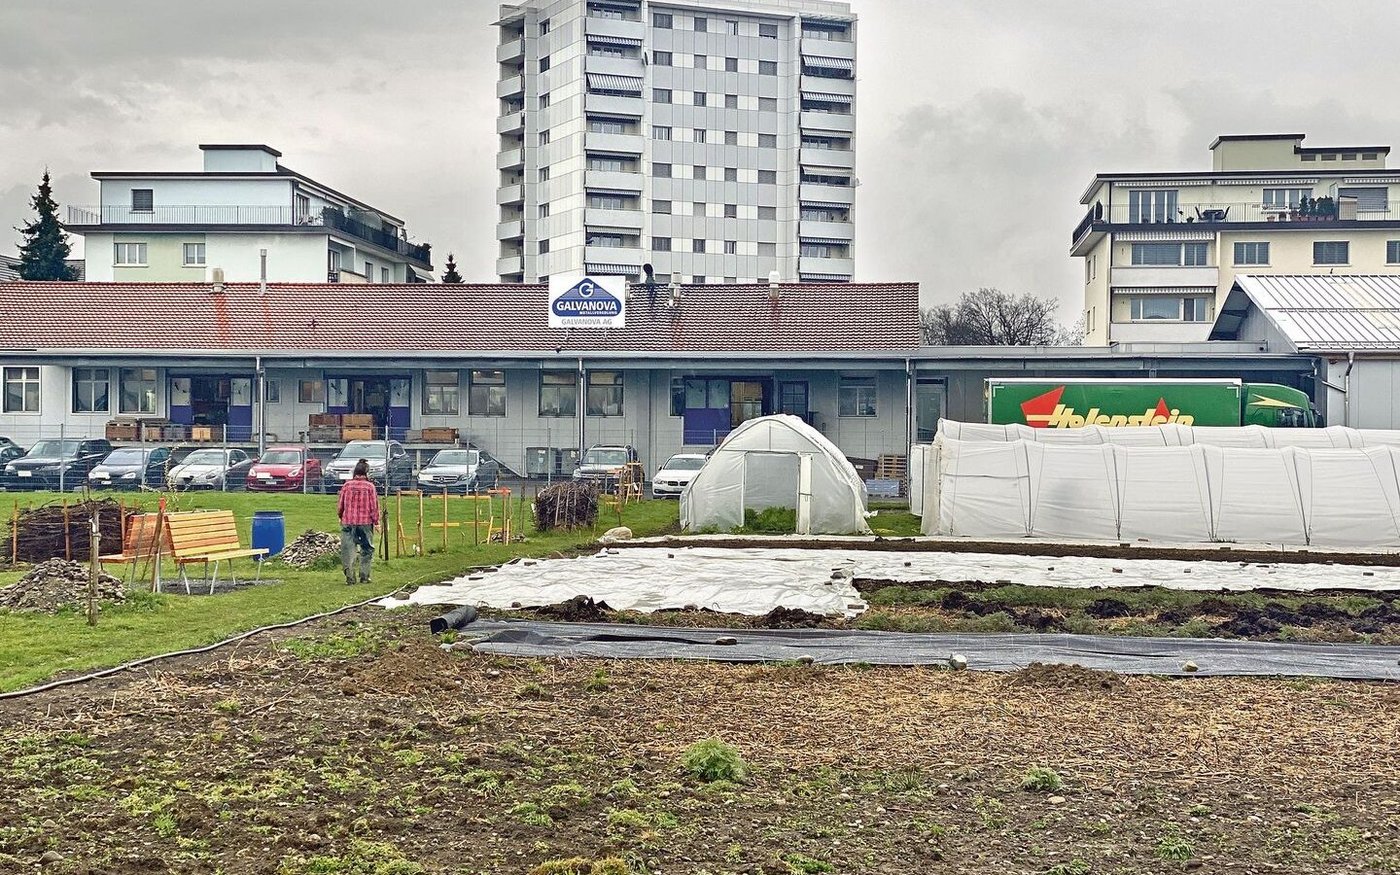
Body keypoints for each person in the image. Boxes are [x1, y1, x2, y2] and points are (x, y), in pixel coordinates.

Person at [337, 459, 380, 585]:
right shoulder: (370, 487)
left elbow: (341, 504)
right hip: (365, 523)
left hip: (348, 522)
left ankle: (350, 578)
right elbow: (374, 506)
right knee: (367, 549)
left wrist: (340, 516)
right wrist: (376, 522)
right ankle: (364, 576)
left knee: (348, 550)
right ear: (367, 472)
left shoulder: (346, 486)